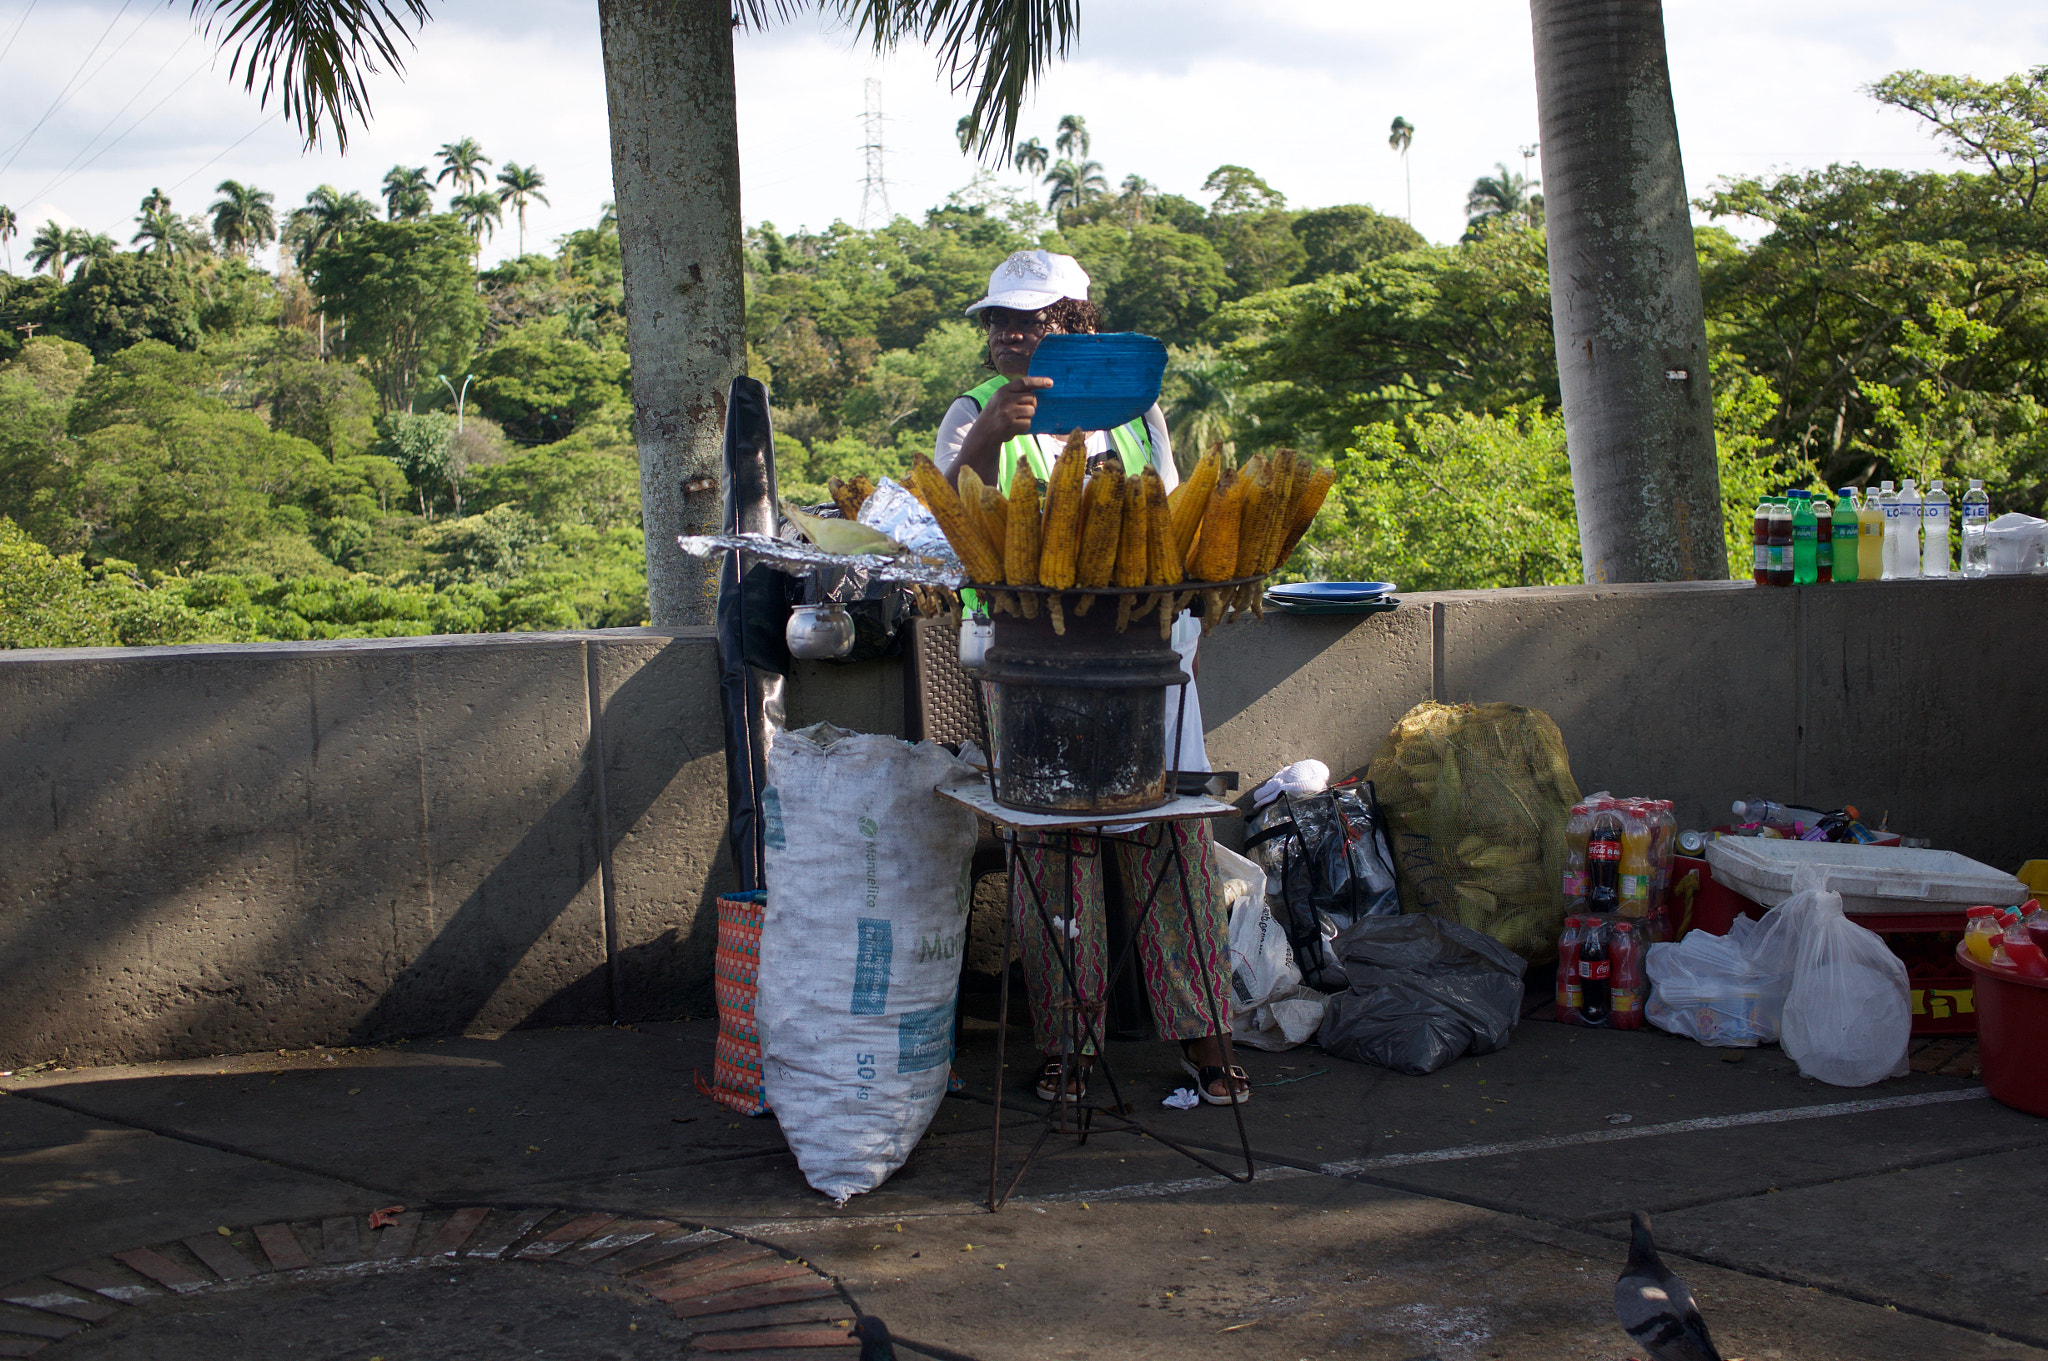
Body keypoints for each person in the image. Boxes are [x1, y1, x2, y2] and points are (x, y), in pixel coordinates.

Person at [939, 251, 1248, 1108]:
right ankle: (1068, 1046)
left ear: (1078, 323)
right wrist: (992, 436)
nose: (1008, 333)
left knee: (1171, 841)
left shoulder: (1135, 414)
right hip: (1028, 666)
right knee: (1054, 851)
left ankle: (1205, 1038)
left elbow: (1174, 525)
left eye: (1030, 318)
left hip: (1143, 662)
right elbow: (948, 524)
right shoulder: (974, 415)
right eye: (997, 320)